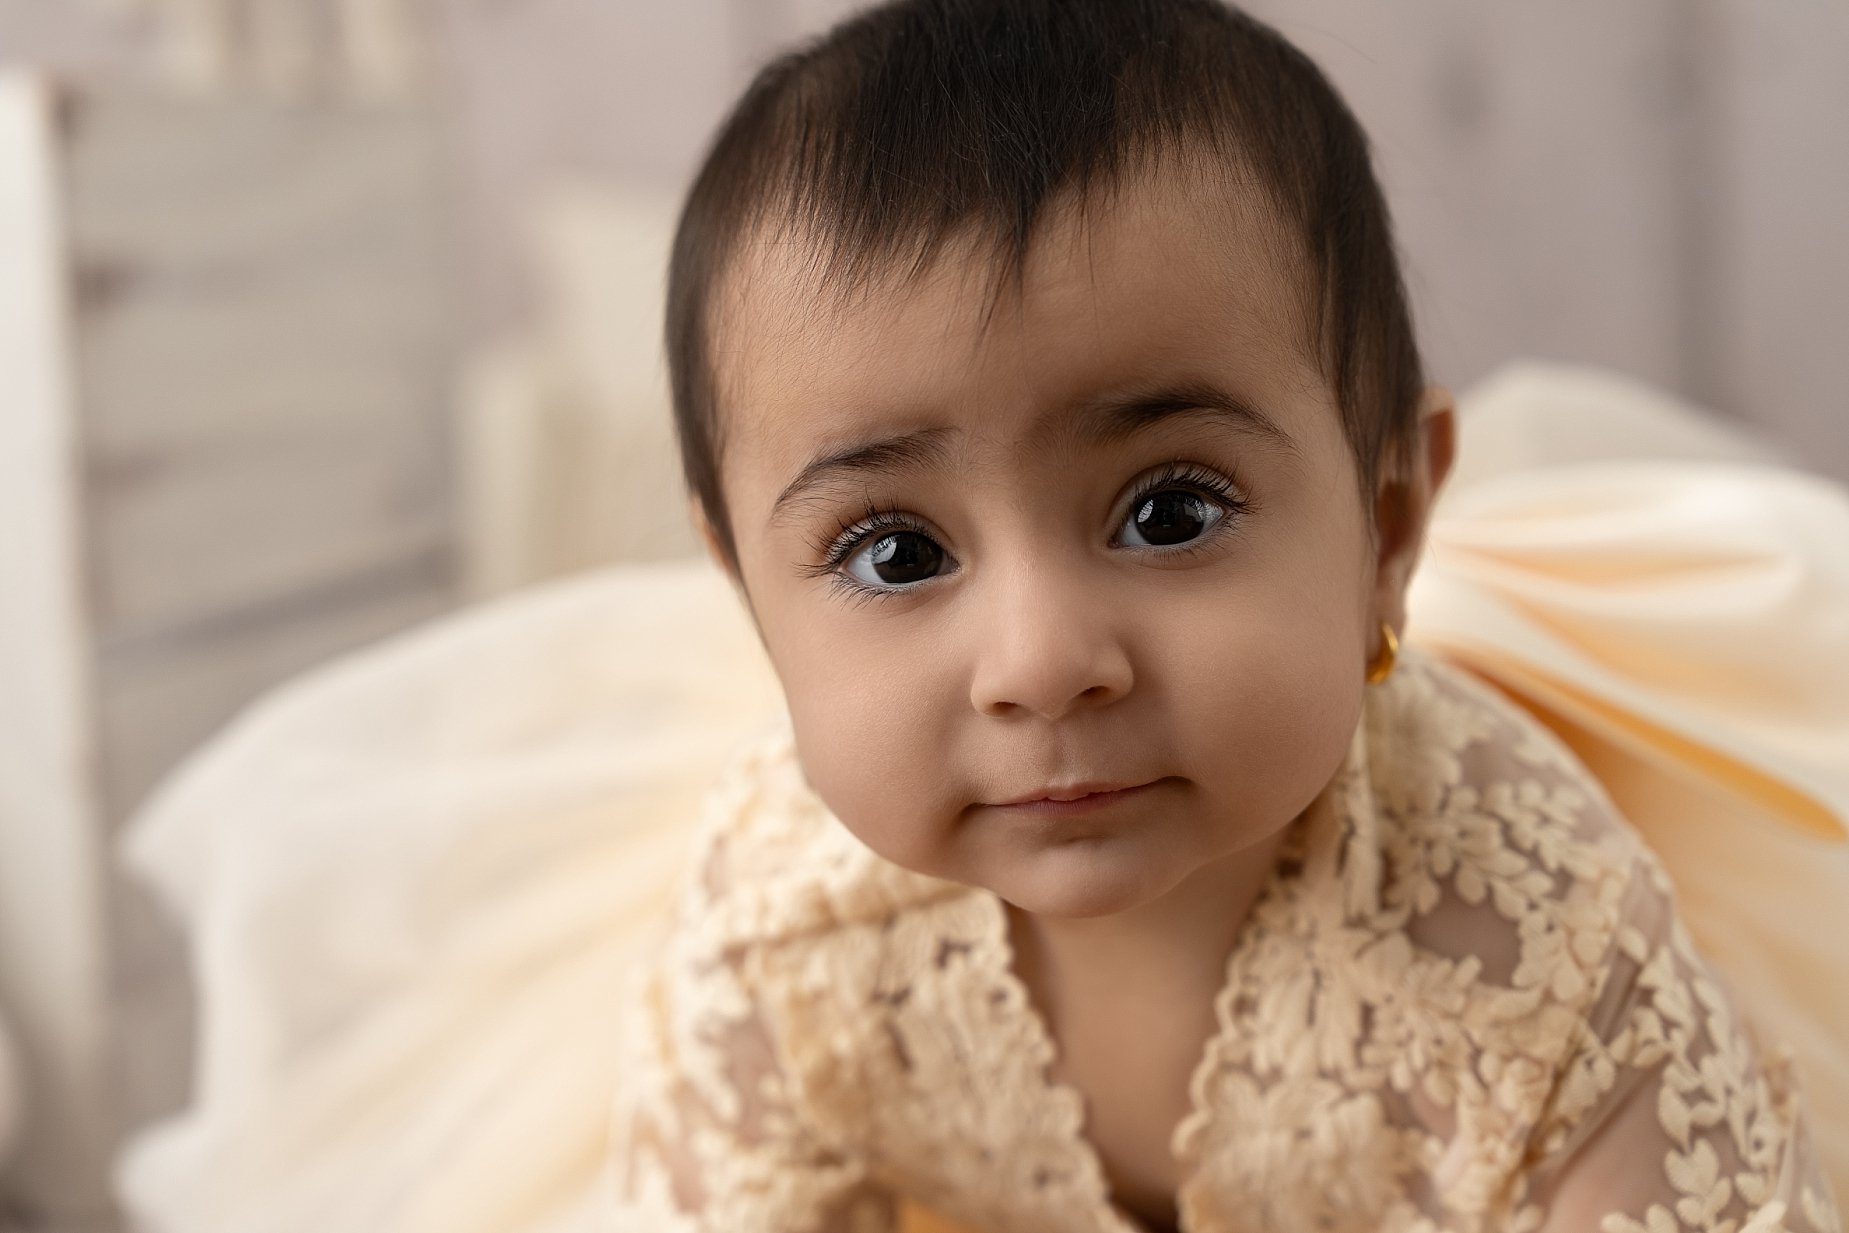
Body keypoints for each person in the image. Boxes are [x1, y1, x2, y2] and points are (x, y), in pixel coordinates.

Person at [606, 2, 1843, 1230]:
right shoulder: (783, 935)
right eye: (896, 552)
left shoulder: (1538, 954)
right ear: (749, 596)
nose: (1040, 664)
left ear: (1390, 519)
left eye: (1170, 515)